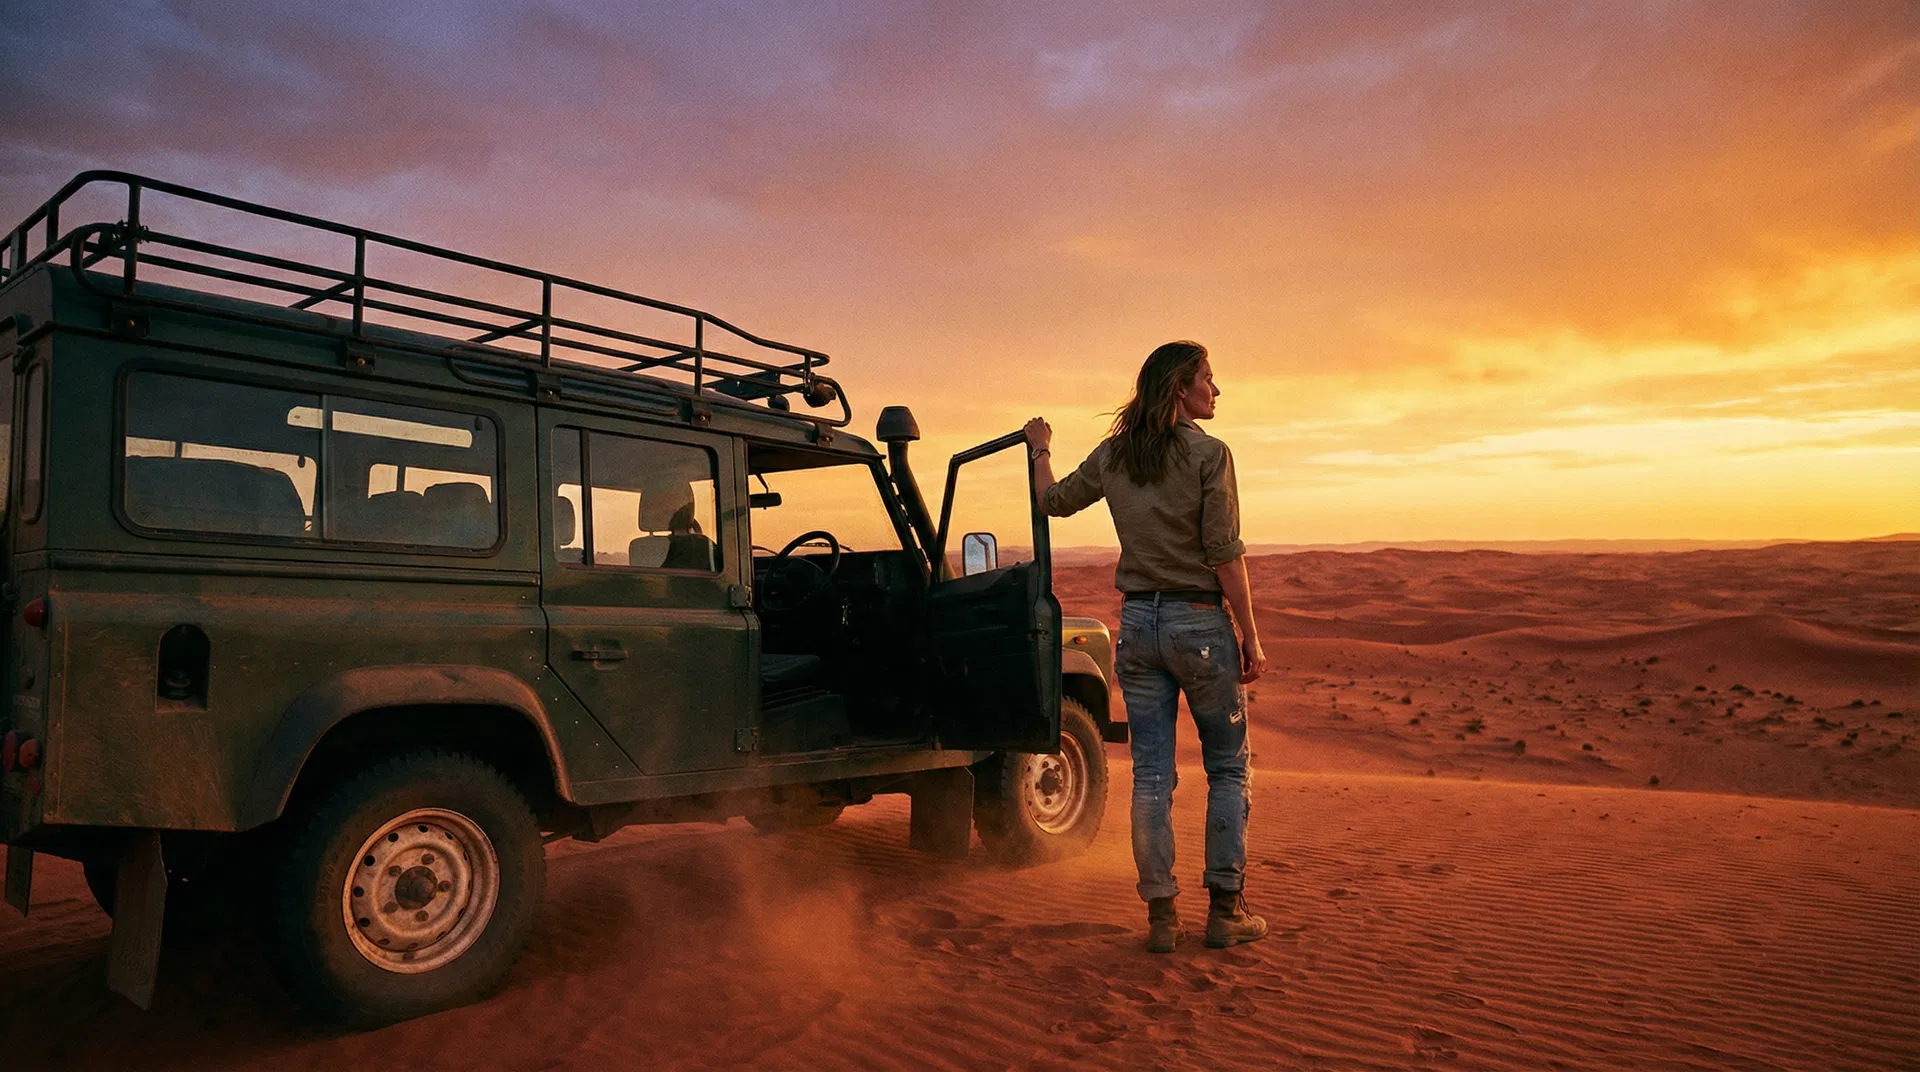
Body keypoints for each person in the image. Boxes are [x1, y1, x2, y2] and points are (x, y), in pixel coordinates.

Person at [1025, 340, 1269, 953]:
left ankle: (1162, 919)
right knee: (1228, 767)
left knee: (1152, 776)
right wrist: (1250, 635)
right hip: (1198, 623)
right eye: (1209, 380)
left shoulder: (1115, 455)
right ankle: (1225, 910)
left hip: (1137, 626)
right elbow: (1225, 553)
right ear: (1180, 389)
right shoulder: (1211, 455)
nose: (1217, 391)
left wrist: (1040, 449)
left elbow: (1051, 503)